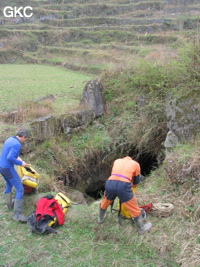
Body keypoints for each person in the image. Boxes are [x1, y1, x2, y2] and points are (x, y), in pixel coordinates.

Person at [98, 156, 152, 234]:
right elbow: (136, 180)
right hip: (123, 186)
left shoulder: (117, 161)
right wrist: (132, 188)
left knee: (105, 201)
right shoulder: (135, 164)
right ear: (131, 159)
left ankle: (100, 219)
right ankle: (141, 229)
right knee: (133, 207)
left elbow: (115, 174)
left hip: (110, 183)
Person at [0, 128, 29, 222]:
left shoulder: (10, 139)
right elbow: (10, 157)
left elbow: (12, 154)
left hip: (1, 166)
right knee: (20, 189)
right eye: (25, 138)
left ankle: (9, 205)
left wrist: (20, 160)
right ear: (23, 137)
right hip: (8, 168)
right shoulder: (17, 144)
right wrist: (21, 164)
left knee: (9, 183)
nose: (25, 140)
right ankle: (17, 215)